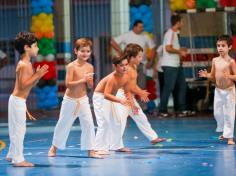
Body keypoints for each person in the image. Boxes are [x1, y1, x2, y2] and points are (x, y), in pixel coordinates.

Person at [48, 38, 102, 158]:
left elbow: (90, 86)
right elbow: (68, 84)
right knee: (63, 124)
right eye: (82, 51)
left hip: (83, 100)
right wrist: (83, 80)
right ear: (75, 51)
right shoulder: (71, 66)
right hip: (69, 100)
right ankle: (54, 147)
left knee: (88, 124)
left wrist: (89, 82)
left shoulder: (90, 67)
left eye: (88, 51)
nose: (85, 53)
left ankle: (91, 150)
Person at [6, 32, 48, 167]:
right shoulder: (25, 65)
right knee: (19, 130)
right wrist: (38, 74)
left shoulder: (25, 63)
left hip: (17, 100)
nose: (38, 49)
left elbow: (26, 85)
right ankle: (18, 159)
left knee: (16, 129)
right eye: (35, 46)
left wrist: (37, 76)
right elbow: (24, 84)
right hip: (17, 101)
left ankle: (12, 154)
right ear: (26, 47)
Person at [113, 44, 166, 150]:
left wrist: (140, 92)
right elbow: (129, 88)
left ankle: (153, 137)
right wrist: (137, 97)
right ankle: (116, 145)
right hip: (122, 97)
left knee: (141, 117)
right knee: (121, 121)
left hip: (128, 96)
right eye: (140, 56)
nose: (142, 58)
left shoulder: (134, 66)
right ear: (132, 58)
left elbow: (133, 85)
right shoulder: (127, 69)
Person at [93, 54, 138, 154]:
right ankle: (97, 148)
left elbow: (127, 91)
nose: (125, 67)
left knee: (117, 122)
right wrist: (119, 100)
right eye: (121, 65)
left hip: (111, 98)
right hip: (100, 97)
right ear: (115, 66)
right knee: (103, 123)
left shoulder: (126, 76)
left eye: (126, 64)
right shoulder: (112, 78)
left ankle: (116, 146)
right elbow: (106, 95)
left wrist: (133, 105)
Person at [199, 35, 236, 145]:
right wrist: (207, 75)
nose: (220, 48)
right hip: (218, 91)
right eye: (218, 46)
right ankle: (225, 132)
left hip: (229, 91)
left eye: (223, 46)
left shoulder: (231, 62)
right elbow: (213, 76)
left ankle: (229, 137)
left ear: (229, 47)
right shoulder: (215, 60)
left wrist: (229, 76)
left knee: (229, 114)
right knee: (217, 113)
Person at [111, 19, 156, 92]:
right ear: (134, 27)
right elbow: (113, 42)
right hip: (128, 65)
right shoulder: (127, 35)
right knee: (128, 86)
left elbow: (153, 48)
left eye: (142, 27)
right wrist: (121, 52)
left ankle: (141, 103)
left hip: (141, 65)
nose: (142, 28)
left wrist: (151, 61)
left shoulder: (145, 36)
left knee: (142, 87)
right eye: (140, 27)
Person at [159, 14, 188, 117]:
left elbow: (172, 48)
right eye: (182, 21)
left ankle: (181, 109)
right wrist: (180, 51)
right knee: (169, 87)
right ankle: (162, 110)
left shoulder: (175, 34)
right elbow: (168, 48)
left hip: (176, 65)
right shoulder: (170, 33)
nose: (183, 24)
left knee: (182, 86)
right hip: (170, 65)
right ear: (178, 22)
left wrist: (180, 51)